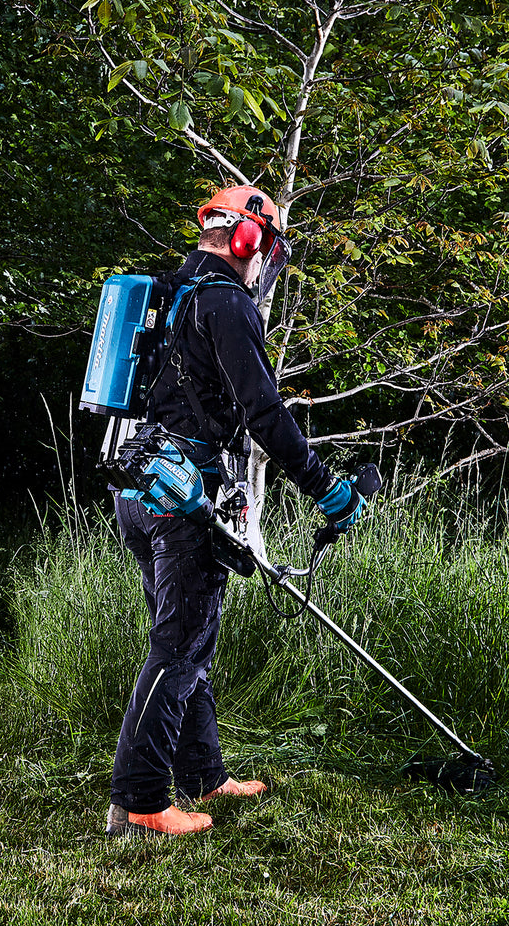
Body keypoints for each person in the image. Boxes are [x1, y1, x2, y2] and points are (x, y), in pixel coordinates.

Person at [105, 185, 364, 837]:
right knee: (178, 645)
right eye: (267, 249)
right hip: (178, 493)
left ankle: (203, 775)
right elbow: (266, 413)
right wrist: (325, 487)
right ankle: (137, 803)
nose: (265, 262)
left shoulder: (169, 292)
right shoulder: (225, 303)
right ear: (250, 241)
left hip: (139, 487)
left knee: (191, 637)